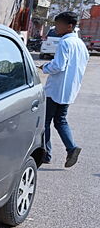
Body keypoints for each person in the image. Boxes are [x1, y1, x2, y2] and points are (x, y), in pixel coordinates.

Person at [39, 11, 88, 168]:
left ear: (69, 26)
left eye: (58, 24)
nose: (56, 27)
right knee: (60, 120)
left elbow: (58, 66)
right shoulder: (81, 44)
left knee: (45, 122)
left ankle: (46, 154)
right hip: (69, 89)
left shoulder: (65, 43)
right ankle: (71, 148)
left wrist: (45, 67)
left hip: (56, 90)